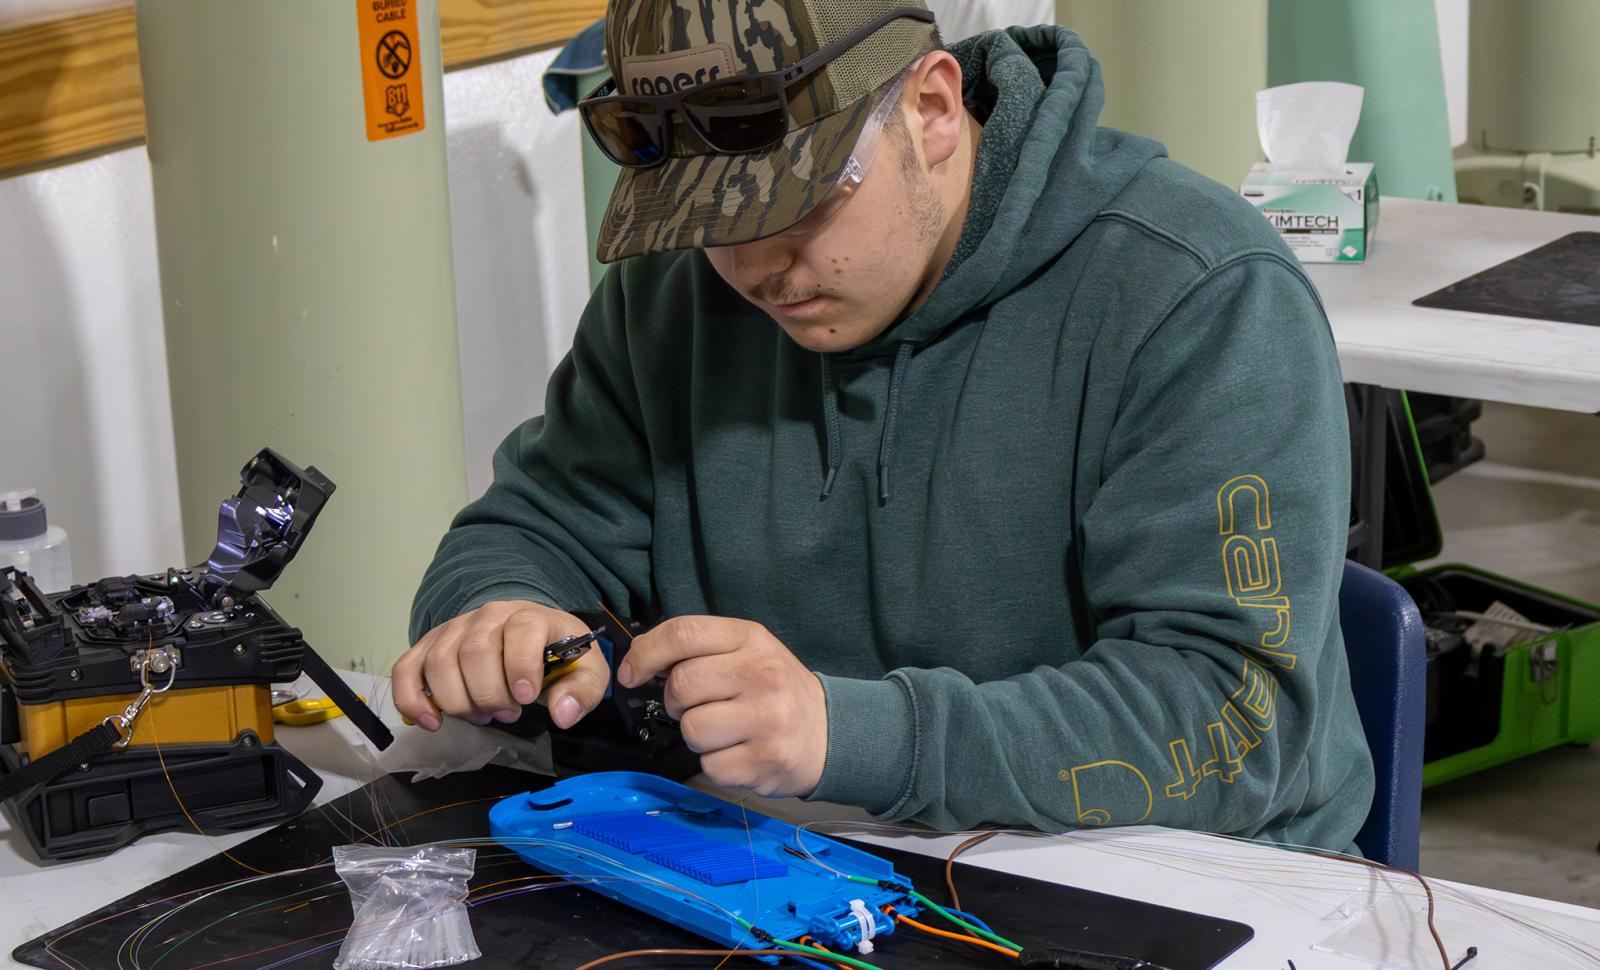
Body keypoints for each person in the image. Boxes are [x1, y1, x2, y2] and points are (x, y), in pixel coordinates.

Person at [395, 0, 1375, 849]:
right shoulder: (673, 297)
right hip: (795, 858)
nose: (753, 270)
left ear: (932, 107)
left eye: (796, 204)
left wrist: (850, 735)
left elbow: (1235, 724)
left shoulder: (1195, 297)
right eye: (707, 225)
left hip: (1178, 879)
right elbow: (529, 528)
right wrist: (497, 613)